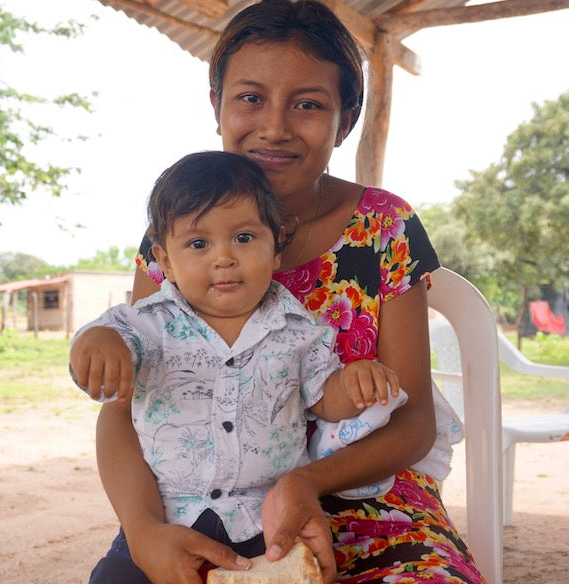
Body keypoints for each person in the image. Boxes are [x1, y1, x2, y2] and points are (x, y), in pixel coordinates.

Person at [91, 1, 481, 583]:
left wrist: (303, 482)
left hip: (369, 498)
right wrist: (145, 531)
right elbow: (124, 411)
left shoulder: (384, 227)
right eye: (250, 97)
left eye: (308, 104)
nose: (274, 126)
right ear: (217, 106)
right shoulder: (177, 235)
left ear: (345, 120)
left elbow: (414, 422)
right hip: (205, 507)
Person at [72, 150, 409, 582]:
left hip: (265, 524)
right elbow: (98, 346)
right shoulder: (146, 325)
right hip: (165, 519)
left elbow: (327, 400)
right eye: (198, 243)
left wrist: (356, 381)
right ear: (166, 261)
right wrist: (97, 343)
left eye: (245, 238)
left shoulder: (301, 330)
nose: (224, 258)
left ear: (276, 250)